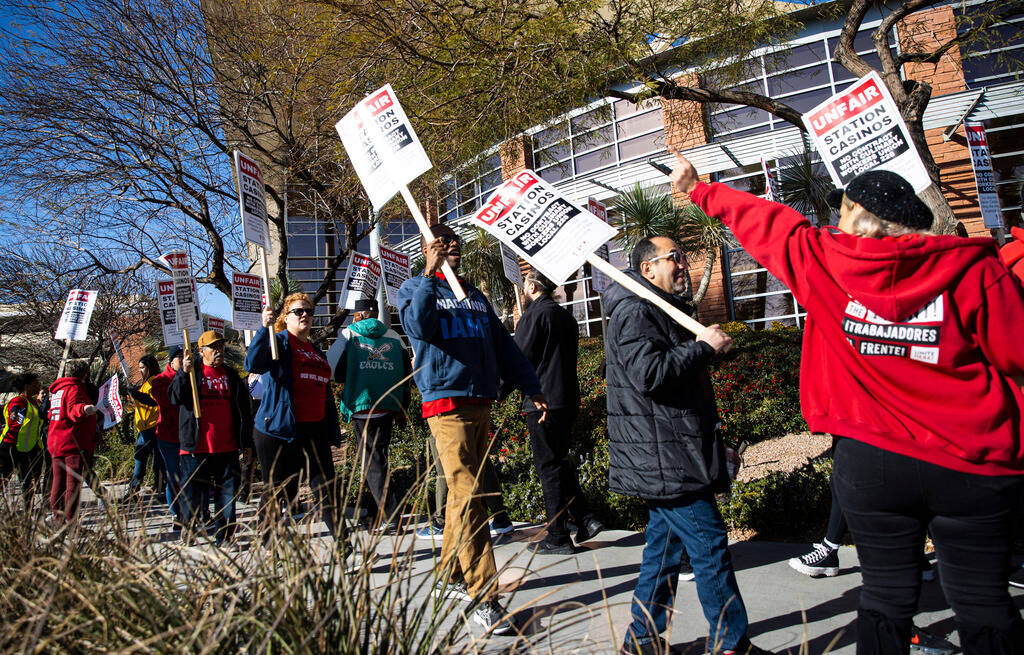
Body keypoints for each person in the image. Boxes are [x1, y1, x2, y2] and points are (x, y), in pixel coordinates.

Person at [673, 153, 1024, 653]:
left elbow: (771, 225)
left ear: (859, 215)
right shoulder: (971, 272)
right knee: (984, 601)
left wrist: (699, 189)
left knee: (884, 597)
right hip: (972, 461)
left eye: (840, 212)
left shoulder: (825, 263)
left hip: (871, 461)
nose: (833, 223)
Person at [604, 236, 767, 655]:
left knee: (664, 549)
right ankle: (731, 644)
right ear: (647, 270)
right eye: (673, 257)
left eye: (682, 256)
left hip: (673, 451)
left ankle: (641, 641)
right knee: (710, 545)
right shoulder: (635, 310)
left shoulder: (659, 308)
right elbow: (650, 374)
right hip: (668, 458)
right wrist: (700, 348)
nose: (682, 264)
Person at [397, 222, 547, 635]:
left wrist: (531, 386)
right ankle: (484, 596)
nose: (451, 250)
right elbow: (418, 327)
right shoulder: (415, 287)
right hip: (446, 405)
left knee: (464, 496)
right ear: (428, 251)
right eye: (441, 245)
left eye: (455, 245)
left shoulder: (475, 296)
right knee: (469, 495)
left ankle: (449, 575)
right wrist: (430, 273)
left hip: (480, 400)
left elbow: (504, 347)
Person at [511, 269, 603, 554]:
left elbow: (518, 359)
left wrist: (498, 391)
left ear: (533, 287)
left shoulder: (533, 316)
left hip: (542, 402)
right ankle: (586, 519)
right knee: (559, 461)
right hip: (567, 399)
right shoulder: (565, 317)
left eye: (526, 283)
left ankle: (558, 535)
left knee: (548, 467)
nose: (524, 287)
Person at [244, 293, 343, 542]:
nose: (305, 316)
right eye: (299, 311)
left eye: (309, 312)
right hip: (279, 430)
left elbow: (324, 390)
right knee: (281, 490)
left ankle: (343, 543)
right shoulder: (279, 342)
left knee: (326, 487)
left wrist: (331, 427)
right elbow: (252, 363)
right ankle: (268, 539)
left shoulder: (315, 350)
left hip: (314, 430)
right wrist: (262, 330)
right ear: (285, 317)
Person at [330, 298, 411, 534]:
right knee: (379, 460)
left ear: (357, 316)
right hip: (389, 405)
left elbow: (333, 371)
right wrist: (402, 406)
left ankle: (391, 516)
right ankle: (376, 514)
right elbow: (407, 373)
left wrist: (355, 376)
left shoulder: (349, 335)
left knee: (372, 464)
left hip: (363, 406)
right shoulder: (395, 337)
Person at [170, 331, 252, 545]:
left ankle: (224, 535)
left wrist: (246, 443)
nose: (219, 351)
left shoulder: (231, 375)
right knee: (192, 494)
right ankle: (189, 528)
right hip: (195, 446)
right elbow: (175, 397)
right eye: (213, 347)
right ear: (201, 351)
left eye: (221, 347)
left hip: (226, 446)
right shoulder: (192, 373)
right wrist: (182, 373)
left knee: (226, 495)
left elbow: (244, 410)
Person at [47, 360, 99, 525]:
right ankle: (71, 523)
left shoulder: (58, 390)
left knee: (58, 483)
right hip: (72, 442)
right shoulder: (74, 388)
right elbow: (73, 409)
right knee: (72, 485)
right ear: (84, 374)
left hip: (56, 441)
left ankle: (58, 520)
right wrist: (85, 409)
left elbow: (52, 414)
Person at [0, 372, 46, 510]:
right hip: (10, 447)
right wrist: (15, 416)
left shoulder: (34, 403)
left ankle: (28, 512)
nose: (39, 386)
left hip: (27, 449)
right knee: (3, 481)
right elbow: (15, 412)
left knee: (28, 482)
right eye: (35, 384)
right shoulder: (19, 401)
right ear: (26, 386)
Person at [122, 355, 163, 501]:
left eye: (142, 367)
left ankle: (156, 488)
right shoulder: (144, 383)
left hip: (151, 426)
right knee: (143, 458)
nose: (140, 371)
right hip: (143, 428)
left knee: (151, 459)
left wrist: (137, 395)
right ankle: (136, 490)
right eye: (139, 368)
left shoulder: (153, 382)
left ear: (150, 367)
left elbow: (152, 402)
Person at [149, 347, 183, 523]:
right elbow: (168, 400)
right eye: (180, 357)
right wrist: (181, 378)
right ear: (171, 361)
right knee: (174, 474)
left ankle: (193, 510)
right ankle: (176, 512)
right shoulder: (160, 381)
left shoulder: (191, 377)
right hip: (168, 436)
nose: (184, 360)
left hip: (188, 434)